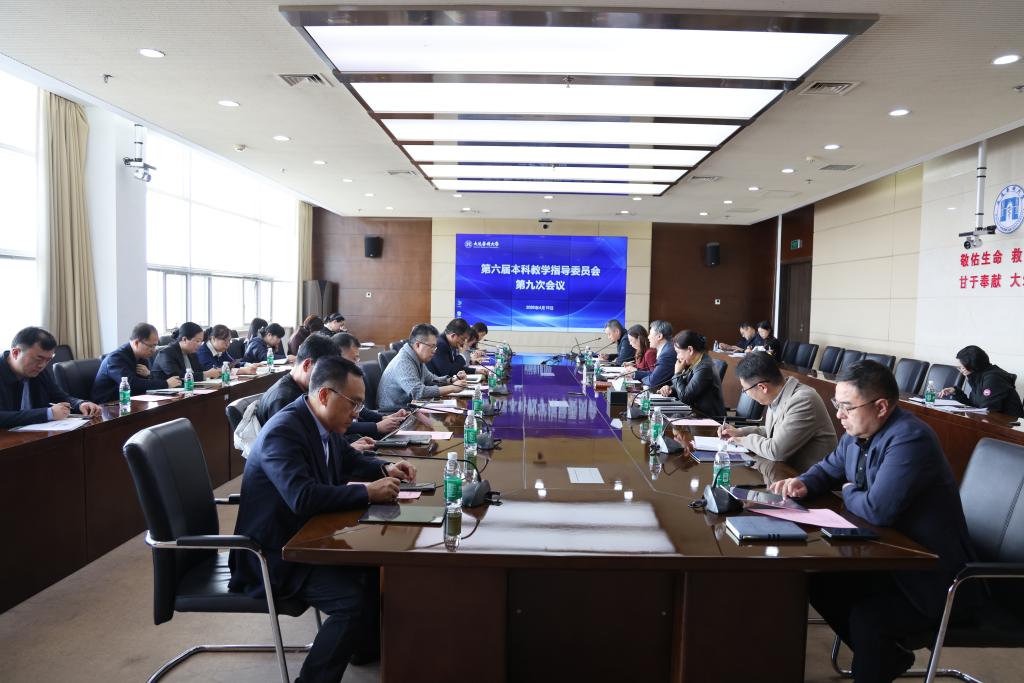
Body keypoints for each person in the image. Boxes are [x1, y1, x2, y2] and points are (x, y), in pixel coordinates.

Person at [771, 361, 975, 683]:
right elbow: (828, 468)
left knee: (869, 619)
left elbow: (878, 510)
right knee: (819, 586)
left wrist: (849, 491)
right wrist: (804, 483)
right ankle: (888, 657)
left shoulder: (911, 439)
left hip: (930, 576)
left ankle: (881, 659)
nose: (839, 415)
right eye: (837, 405)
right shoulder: (857, 434)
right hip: (889, 557)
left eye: (847, 407)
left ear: (881, 407)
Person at [228, 356, 416, 683]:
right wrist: (366, 493)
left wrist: (384, 468)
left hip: (309, 537)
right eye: (354, 403)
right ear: (326, 395)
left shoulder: (319, 421)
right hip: (273, 555)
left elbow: (347, 459)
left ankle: (364, 648)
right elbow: (302, 497)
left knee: (377, 567)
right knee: (350, 602)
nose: (357, 413)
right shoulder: (283, 433)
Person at [718, 351, 837, 483]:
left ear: (762, 387)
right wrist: (739, 432)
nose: (747, 394)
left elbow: (776, 451)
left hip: (813, 484)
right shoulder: (778, 395)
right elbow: (772, 432)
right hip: (788, 477)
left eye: (745, 390)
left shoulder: (803, 400)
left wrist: (741, 440)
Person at [255, 335, 377, 452]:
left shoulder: (306, 389)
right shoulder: (283, 399)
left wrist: (346, 447)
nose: (329, 379)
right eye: (325, 371)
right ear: (307, 365)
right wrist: (346, 449)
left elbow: (327, 433)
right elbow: (295, 448)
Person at [0, 326, 102, 427]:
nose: (42, 365)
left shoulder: (38, 370)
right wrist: (47, 413)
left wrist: (80, 404)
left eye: (48, 360)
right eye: (38, 359)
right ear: (16, 353)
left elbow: (59, 396)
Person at [331, 332, 407, 438]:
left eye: (357, 359)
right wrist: (375, 427)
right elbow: (336, 424)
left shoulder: (346, 378)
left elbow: (360, 410)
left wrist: (384, 418)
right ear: (337, 357)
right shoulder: (329, 383)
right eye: (353, 359)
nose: (356, 364)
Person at [377, 323, 465, 412]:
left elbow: (431, 379)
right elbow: (418, 392)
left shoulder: (416, 357)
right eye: (432, 346)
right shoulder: (403, 361)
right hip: (393, 413)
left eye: (435, 347)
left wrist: (451, 380)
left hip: (410, 408)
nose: (434, 351)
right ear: (418, 345)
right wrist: (452, 388)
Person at [92, 323, 182, 402]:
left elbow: (145, 383)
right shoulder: (115, 358)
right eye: (151, 346)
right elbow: (130, 383)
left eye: (155, 346)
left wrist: (149, 375)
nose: (154, 350)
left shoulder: (142, 357)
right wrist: (166, 383)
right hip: (108, 405)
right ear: (136, 343)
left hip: (134, 400)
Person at [938, 345, 1023, 417]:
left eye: (962, 367)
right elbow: (975, 406)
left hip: (1009, 426)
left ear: (973, 365)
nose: (961, 371)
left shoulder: (993, 378)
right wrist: (956, 392)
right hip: (992, 422)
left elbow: (987, 410)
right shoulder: (978, 377)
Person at [658, 330, 726, 419]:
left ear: (690, 350)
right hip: (696, 413)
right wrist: (670, 389)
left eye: (678, 352)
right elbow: (688, 386)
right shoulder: (696, 362)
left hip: (709, 419)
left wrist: (677, 373)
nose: (677, 357)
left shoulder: (705, 368)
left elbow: (685, 398)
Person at [152, 322, 221, 381]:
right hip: (164, 391)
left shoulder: (192, 353)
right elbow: (178, 377)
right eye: (197, 341)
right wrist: (206, 374)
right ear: (184, 339)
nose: (200, 344)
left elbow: (199, 372)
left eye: (201, 341)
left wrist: (213, 372)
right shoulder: (166, 354)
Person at [634, 320, 675, 390]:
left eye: (650, 334)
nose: (648, 337)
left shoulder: (667, 354)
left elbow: (653, 381)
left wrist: (641, 379)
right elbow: (655, 373)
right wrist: (635, 374)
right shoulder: (666, 349)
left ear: (659, 336)